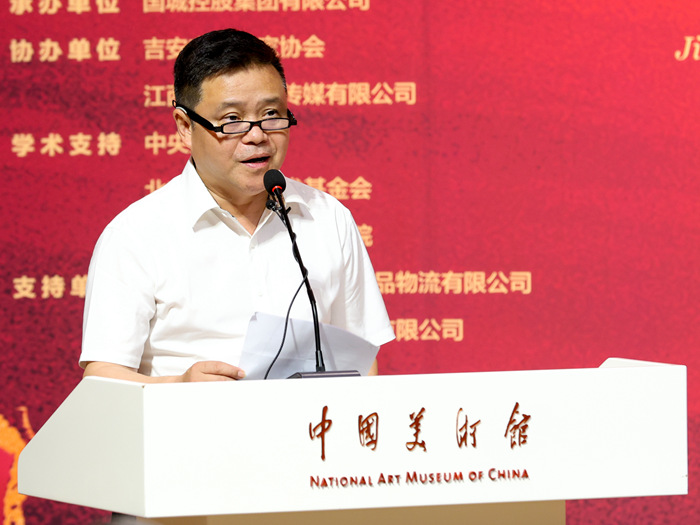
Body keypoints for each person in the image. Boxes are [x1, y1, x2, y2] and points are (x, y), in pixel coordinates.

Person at [79, 28, 394, 383]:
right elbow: (102, 376)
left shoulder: (327, 218)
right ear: (185, 126)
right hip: (187, 419)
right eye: (232, 119)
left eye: (271, 113)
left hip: (309, 419)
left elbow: (361, 358)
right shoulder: (137, 234)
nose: (257, 135)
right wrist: (179, 387)